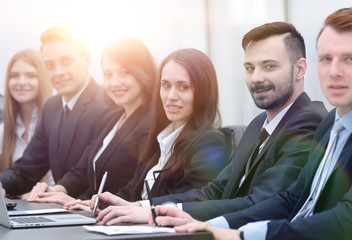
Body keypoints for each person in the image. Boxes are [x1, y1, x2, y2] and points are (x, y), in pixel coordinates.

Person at [158, 7, 352, 240]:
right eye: (326, 59)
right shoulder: (331, 122)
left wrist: (245, 235)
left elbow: (351, 220)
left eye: (350, 59)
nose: (334, 71)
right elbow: (293, 197)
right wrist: (217, 225)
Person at [90, 22, 327, 225]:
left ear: (300, 69)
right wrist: (142, 206)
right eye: (249, 68)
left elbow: (261, 202)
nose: (256, 78)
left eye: (269, 66)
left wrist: (155, 213)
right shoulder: (257, 125)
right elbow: (213, 191)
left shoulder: (308, 120)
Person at [65, 48, 230, 215]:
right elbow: (133, 193)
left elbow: (188, 201)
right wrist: (98, 204)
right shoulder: (161, 138)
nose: (171, 96)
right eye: (166, 85)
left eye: (183, 87)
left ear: (203, 91)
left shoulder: (210, 141)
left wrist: (138, 208)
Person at [23, 38, 157, 205]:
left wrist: (83, 204)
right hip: (94, 216)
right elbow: (83, 170)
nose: (114, 83)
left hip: (118, 221)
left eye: (124, 73)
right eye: (108, 75)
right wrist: (55, 191)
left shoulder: (152, 123)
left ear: (142, 72)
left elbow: (136, 188)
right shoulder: (115, 117)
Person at [0, 25, 116, 197]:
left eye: (66, 61)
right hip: (59, 210)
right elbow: (27, 168)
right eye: (49, 65)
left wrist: (52, 193)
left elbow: (89, 173)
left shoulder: (108, 104)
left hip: (91, 212)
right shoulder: (52, 107)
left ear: (87, 59)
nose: (58, 72)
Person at [0, 49, 54, 187]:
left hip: (52, 204)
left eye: (31, 75)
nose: (21, 82)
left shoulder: (56, 126)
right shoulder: (3, 131)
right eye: (14, 76)